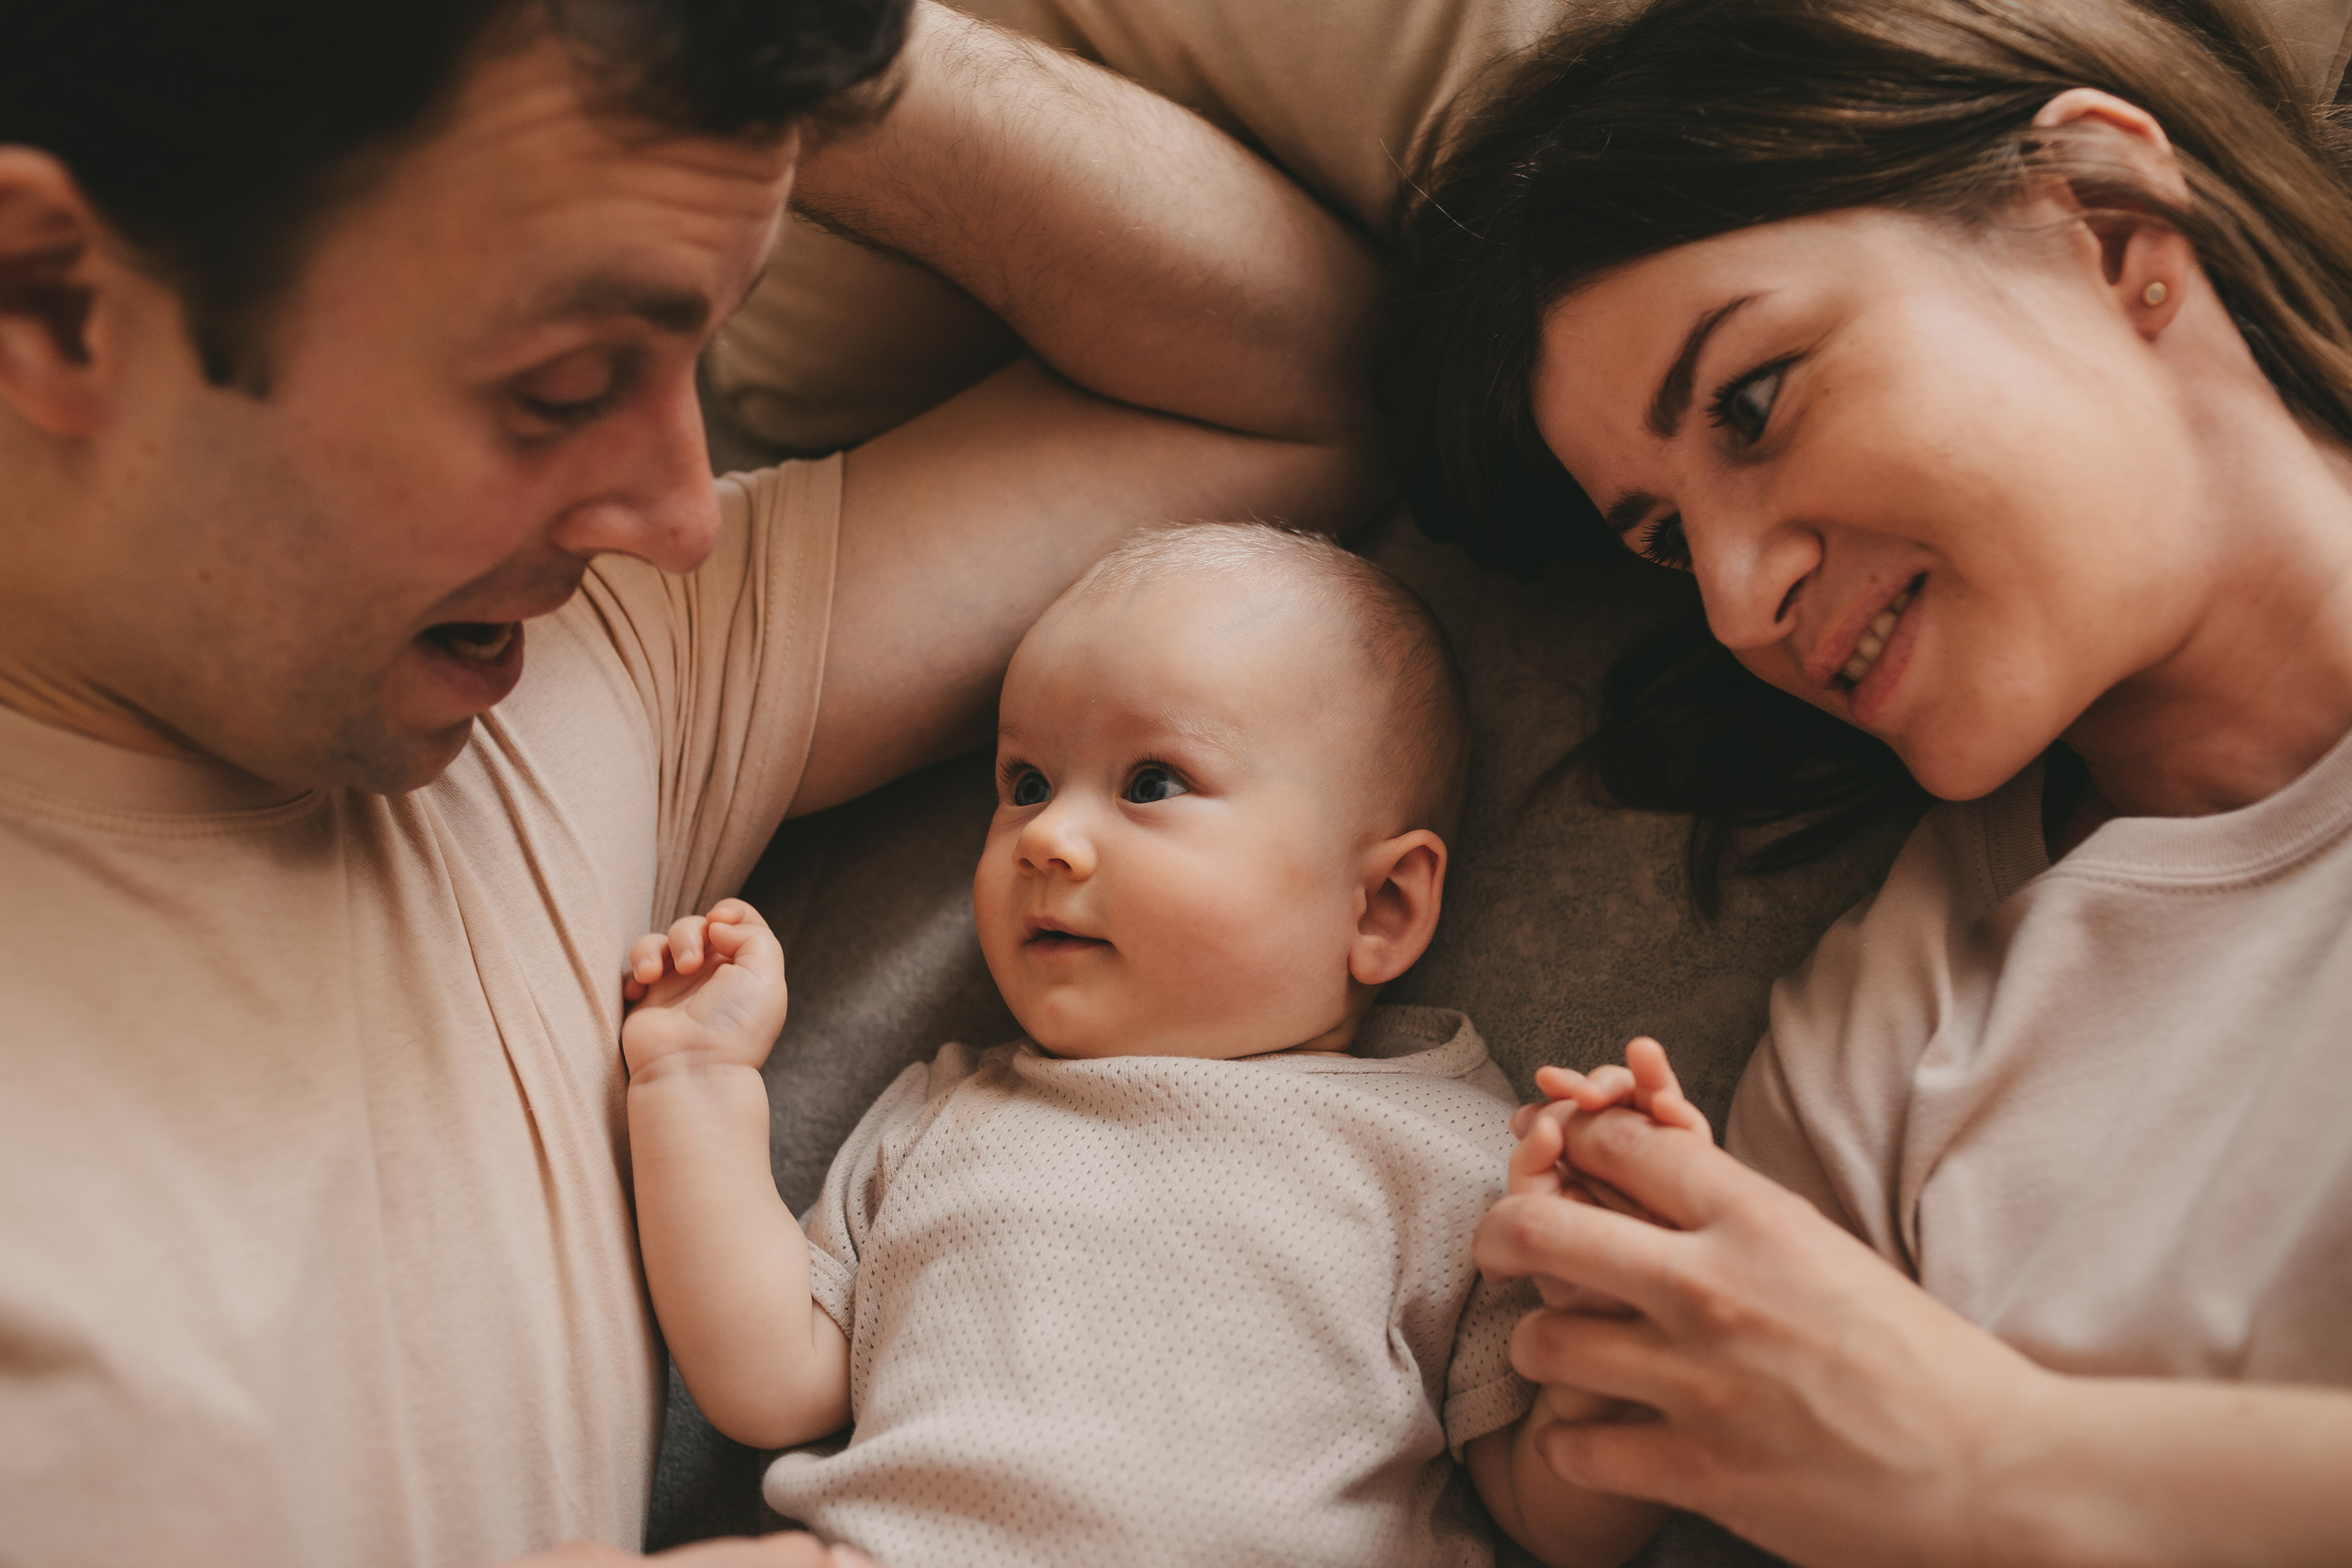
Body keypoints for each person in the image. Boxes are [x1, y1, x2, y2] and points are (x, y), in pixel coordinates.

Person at [0, 1, 1386, 1562]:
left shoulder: (558, 659)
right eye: (562, 385)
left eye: (699, 351)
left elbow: (1311, 382)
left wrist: (747, 43)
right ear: (53, 298)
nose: (683, 515)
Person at [1382, 0, 2352, 1562]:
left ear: (2106, 225)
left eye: (1753, 402)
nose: (1733, 601)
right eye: (1664, 537)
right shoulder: (1881, 1032)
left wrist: (1994, 1460)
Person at [614, 524, 1668, 1568]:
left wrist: (1617, 1322)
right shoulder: (944, 1114)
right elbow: (772, 1384)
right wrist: (694, 1082)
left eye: (1151, 783)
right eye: (1025, 783)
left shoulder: (1454, 1155)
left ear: (1381, 906)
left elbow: (1557, 1522)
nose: (1044, 838)